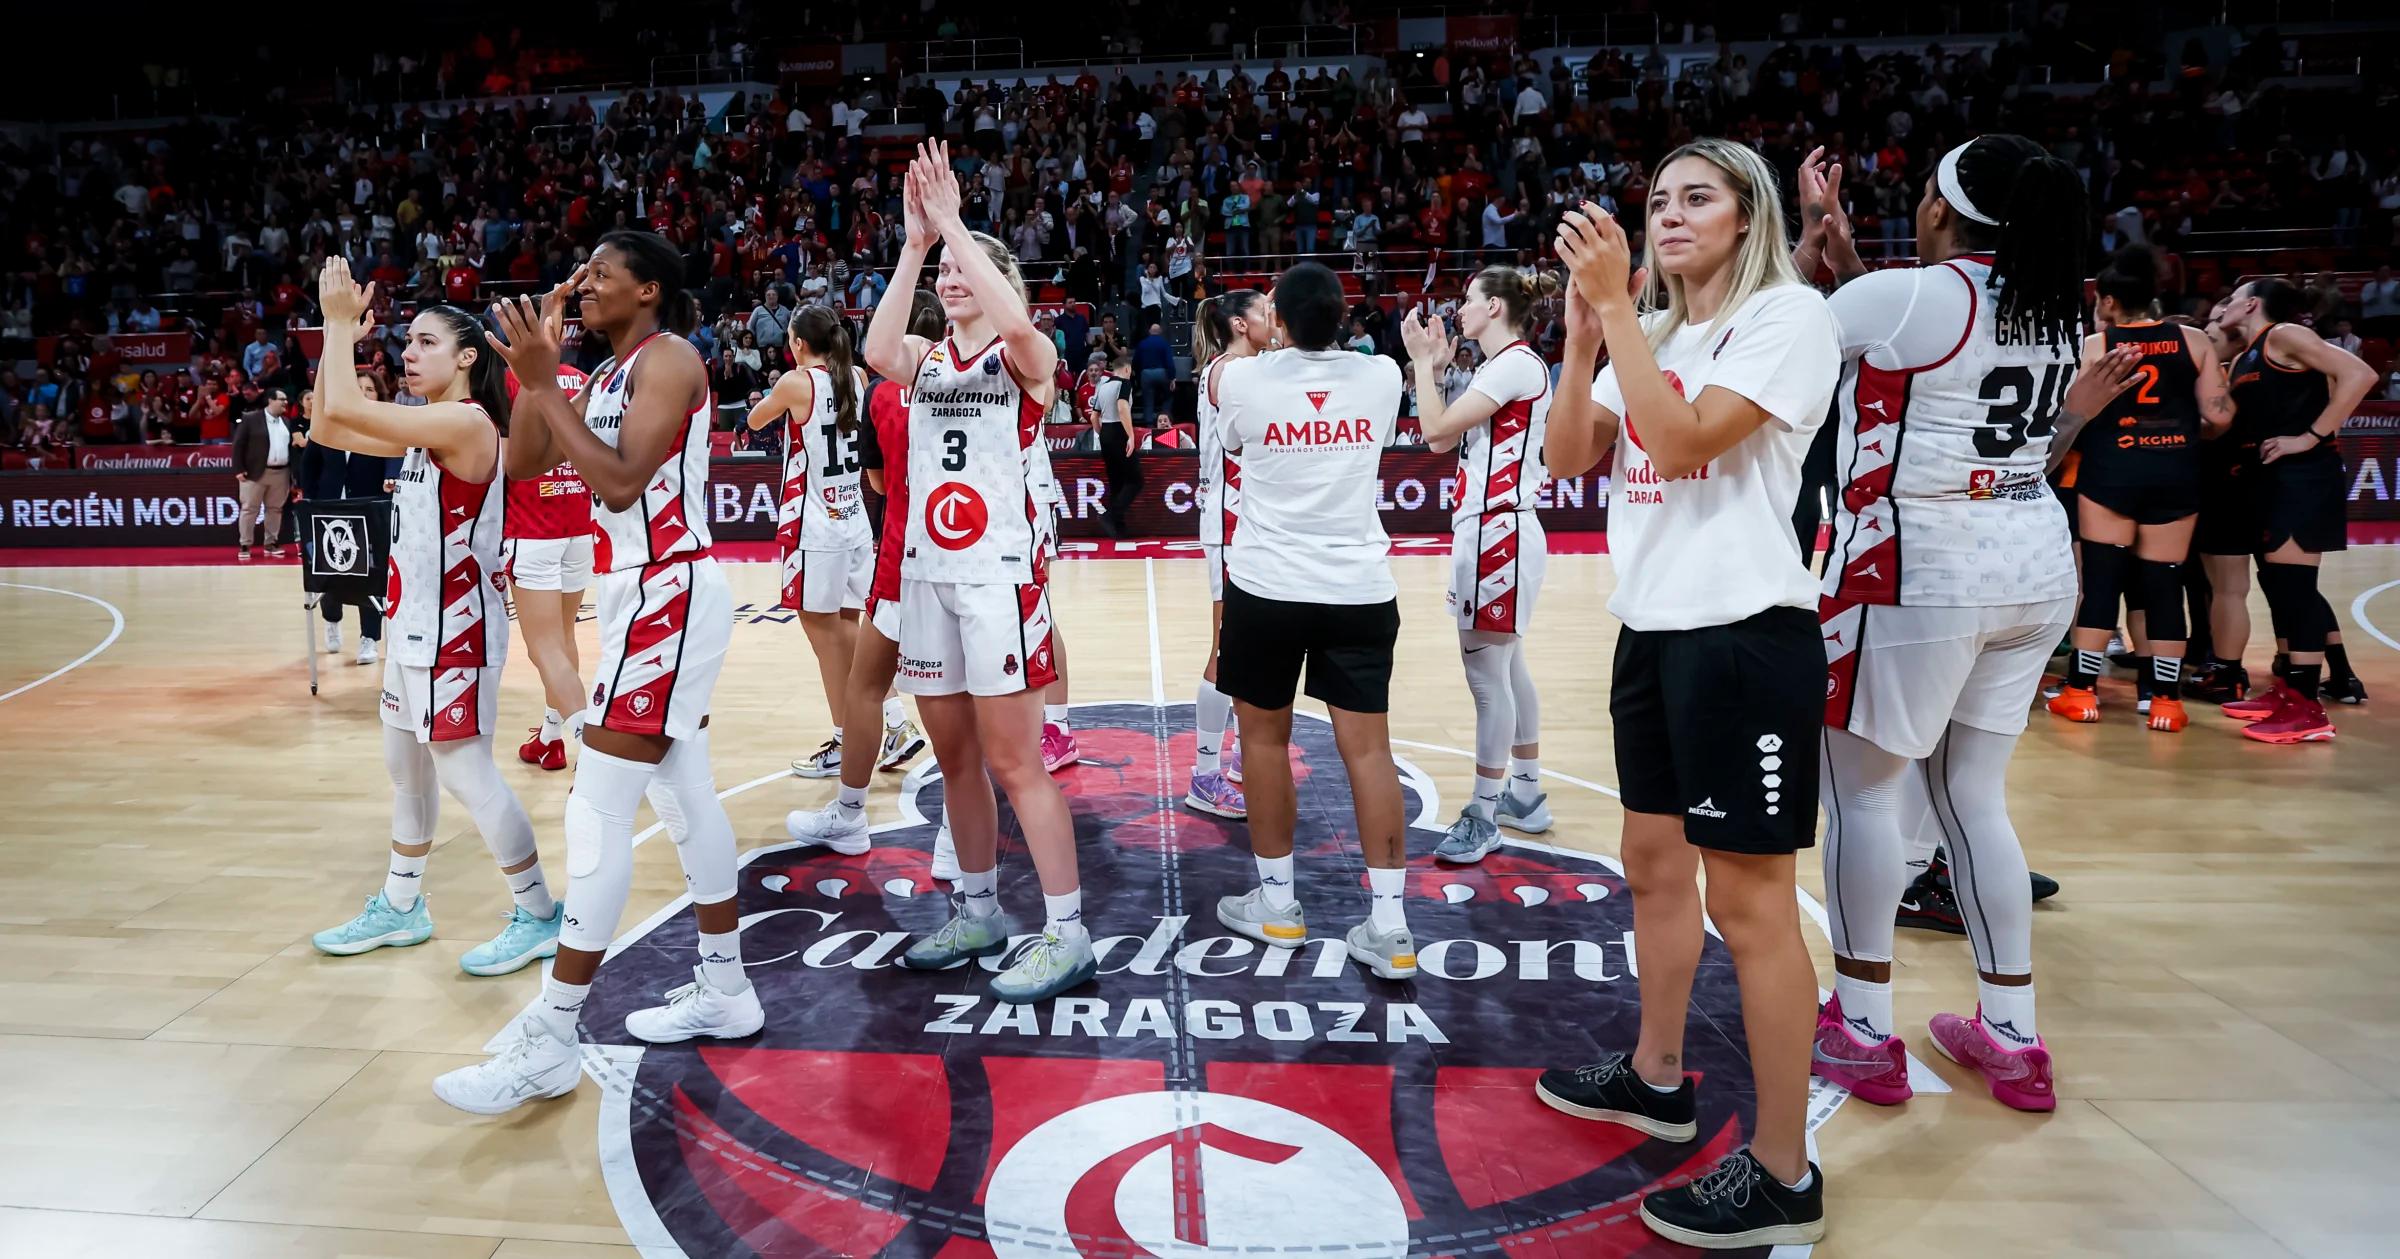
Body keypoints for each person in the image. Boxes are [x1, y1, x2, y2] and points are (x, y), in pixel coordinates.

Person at [1789, 136, 2133, 1133]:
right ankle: (2014, 1035)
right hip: (2030, 562)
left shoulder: (1903, 296)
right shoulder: (2063, 304)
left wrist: (1817, 247)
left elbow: (1794, 345)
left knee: (1860, 795)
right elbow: (1935, 339)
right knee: (1973, 796)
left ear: (1939, 210)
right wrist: (1849, 256)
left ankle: (1859, 1023)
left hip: (1916, 571)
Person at [1534, 139, 1833, 1248]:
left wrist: (1614, 307)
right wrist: (1579, 342)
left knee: (1750, 904)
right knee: (1653, 865)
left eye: (1695, 197)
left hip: (1746, 636)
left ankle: (1785, 1168)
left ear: (1748, 216)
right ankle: (1658, 1074)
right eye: (1657, 198)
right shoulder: (1651, 329)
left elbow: (1685, 439)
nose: (1667, 215)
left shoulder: (1787, 319)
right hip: (1654, 632)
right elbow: (1571, 459)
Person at [435, 232, 751, 1114]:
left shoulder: (671, 356)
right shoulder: (604, 375)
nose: (586, 280)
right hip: (633, 593)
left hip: (671, 586)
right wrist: (546, 365)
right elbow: (531, 462)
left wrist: (542, 379)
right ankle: (725, 988)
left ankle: (551, 1037)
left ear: (649, 288)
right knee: (686, 797)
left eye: (602, 272)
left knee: (597, 804)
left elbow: (615, 484)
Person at [864, 141, 1092, 1004]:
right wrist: (919, 244)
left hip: (998, 578)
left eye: (971, 270)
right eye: (949, 273)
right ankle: (979, 907)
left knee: (1014, 759)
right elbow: (879, 345)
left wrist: (960, 226)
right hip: (929, 575)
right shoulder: (926, 360)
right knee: (954, 758)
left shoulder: (1020, 360)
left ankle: (1068, 935)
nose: (954, 279)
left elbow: (1026, 332)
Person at [302, 275, 558, 994]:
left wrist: (336, 325)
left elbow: (343, 406)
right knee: (405, 772)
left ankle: (537, 912)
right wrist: (340, 337)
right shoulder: (425, 426)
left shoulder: (467, 424)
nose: (408, 353)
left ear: (469, 357)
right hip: (411, 627)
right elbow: (326, 424)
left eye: (425, 342)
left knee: (467, 773)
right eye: (406, 341)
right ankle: (402, 905)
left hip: (457, 631)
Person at [1208, 261, 1413, 980]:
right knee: (1369, 752)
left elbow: (1221, 402)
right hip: (1359, 585)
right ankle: (1389, 927)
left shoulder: (1244, 380)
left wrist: (1255, 340)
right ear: (1345, 318)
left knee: (1263, 742)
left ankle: (1278, 905)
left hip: (1268, 585)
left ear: (1280, 323)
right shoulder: (1383, 375)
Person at [1400, 266, 1560, 862]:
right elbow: (1441, 441)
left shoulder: (1516, 363)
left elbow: (1435, 428)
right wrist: (1436, 371)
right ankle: (1524, 793)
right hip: (1496, 532)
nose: (1458, 309)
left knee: (1487, 679)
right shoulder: (1500, 367)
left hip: (1499, 531)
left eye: (1468, 301)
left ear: (1494, 307)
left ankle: (1483, 812)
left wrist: (1420, 363)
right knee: (1508, 664)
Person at [784, 292, 945, 867]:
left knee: (845, 657)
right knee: (930, 686)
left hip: (849, 535)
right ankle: (898, 745)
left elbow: (877, 479)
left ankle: (853, 777)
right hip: (886, 536)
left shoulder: (863, 390)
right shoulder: (864, 381)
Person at [2048, 243, 2232, 732]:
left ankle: (2082, 693)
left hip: (2112, 471)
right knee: (2164, 581)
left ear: (2108, 301)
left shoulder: (2096, 346)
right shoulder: (2193, 340)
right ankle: (2166, 701)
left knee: (2102, 581)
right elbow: (2218, 415)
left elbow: (2073, 414)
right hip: (2175, 473)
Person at [2211, 278, 2378, 739]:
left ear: (2250, 304)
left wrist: (2311, 436)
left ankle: (2307, 711)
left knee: (2296, 589)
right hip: (2270, 480)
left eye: (2230, 298)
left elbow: (2361, 375)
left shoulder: (2284, 334)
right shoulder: (2247, 353)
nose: (2221, 306)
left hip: (2304, 477)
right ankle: (2287, 691)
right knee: (2278, 586)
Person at [749, 306, 877, 778]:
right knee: (849, 625)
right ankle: (880, 724)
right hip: (855, 520)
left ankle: (853, 736)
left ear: (798, 343)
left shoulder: (794, 383)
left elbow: (758, 421)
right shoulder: (858, 376)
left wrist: (765, 396)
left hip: (815, 526)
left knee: (826, 638)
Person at [1185, 289, 1274, 819]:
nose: (1273, 321)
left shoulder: (1249, 367)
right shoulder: (1229, 371)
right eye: (1264, 314)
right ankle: (1204, 774)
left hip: (1252, 521)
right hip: (1230, 523)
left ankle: (1239, 752)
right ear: (1240, 325)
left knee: (1255, 643)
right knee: (1227, 648)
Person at [503, 362, 595, 772]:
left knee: (544, 647)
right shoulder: (580, 375)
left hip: (533, 524)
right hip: (578, 521)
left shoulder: (513, 375)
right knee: (563, 637)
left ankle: (589, 748)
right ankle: (549, 737)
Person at [300, 375, 398, 665]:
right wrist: (311, 500)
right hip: (329, 510)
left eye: (370, 389)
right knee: (331, 570)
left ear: (379, 396)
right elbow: (309, 466)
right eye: (359, 388)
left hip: (369, 511)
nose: (365, 393)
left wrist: (390, 475)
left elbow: (397, 454)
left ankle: (369, 637)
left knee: (372, 575)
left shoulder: (384, 427)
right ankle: (332, 618)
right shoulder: (328, 424)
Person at [233, 388, 299, 559]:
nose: (286, 402)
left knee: (275, 509)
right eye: (281, 399)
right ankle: (245, 545)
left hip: (281, 473)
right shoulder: (251, 419)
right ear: (270, 400)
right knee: (249, 509)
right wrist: (239, 469)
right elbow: (238, 445)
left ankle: (271, 543)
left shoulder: (287, 422)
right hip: (255, 472)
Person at [1095, 355, 1141, 537]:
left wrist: (1103, 435)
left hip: (1105, 432)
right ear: (1127, 369)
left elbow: (1093, 416)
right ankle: (1110, 515)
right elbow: (1122, 407)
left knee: (1116, 482)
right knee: (1136, 480)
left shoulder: (1103, 386)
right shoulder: (1124, 384)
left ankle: (1119, 529)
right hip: (1118, 431)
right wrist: (1130, 436)